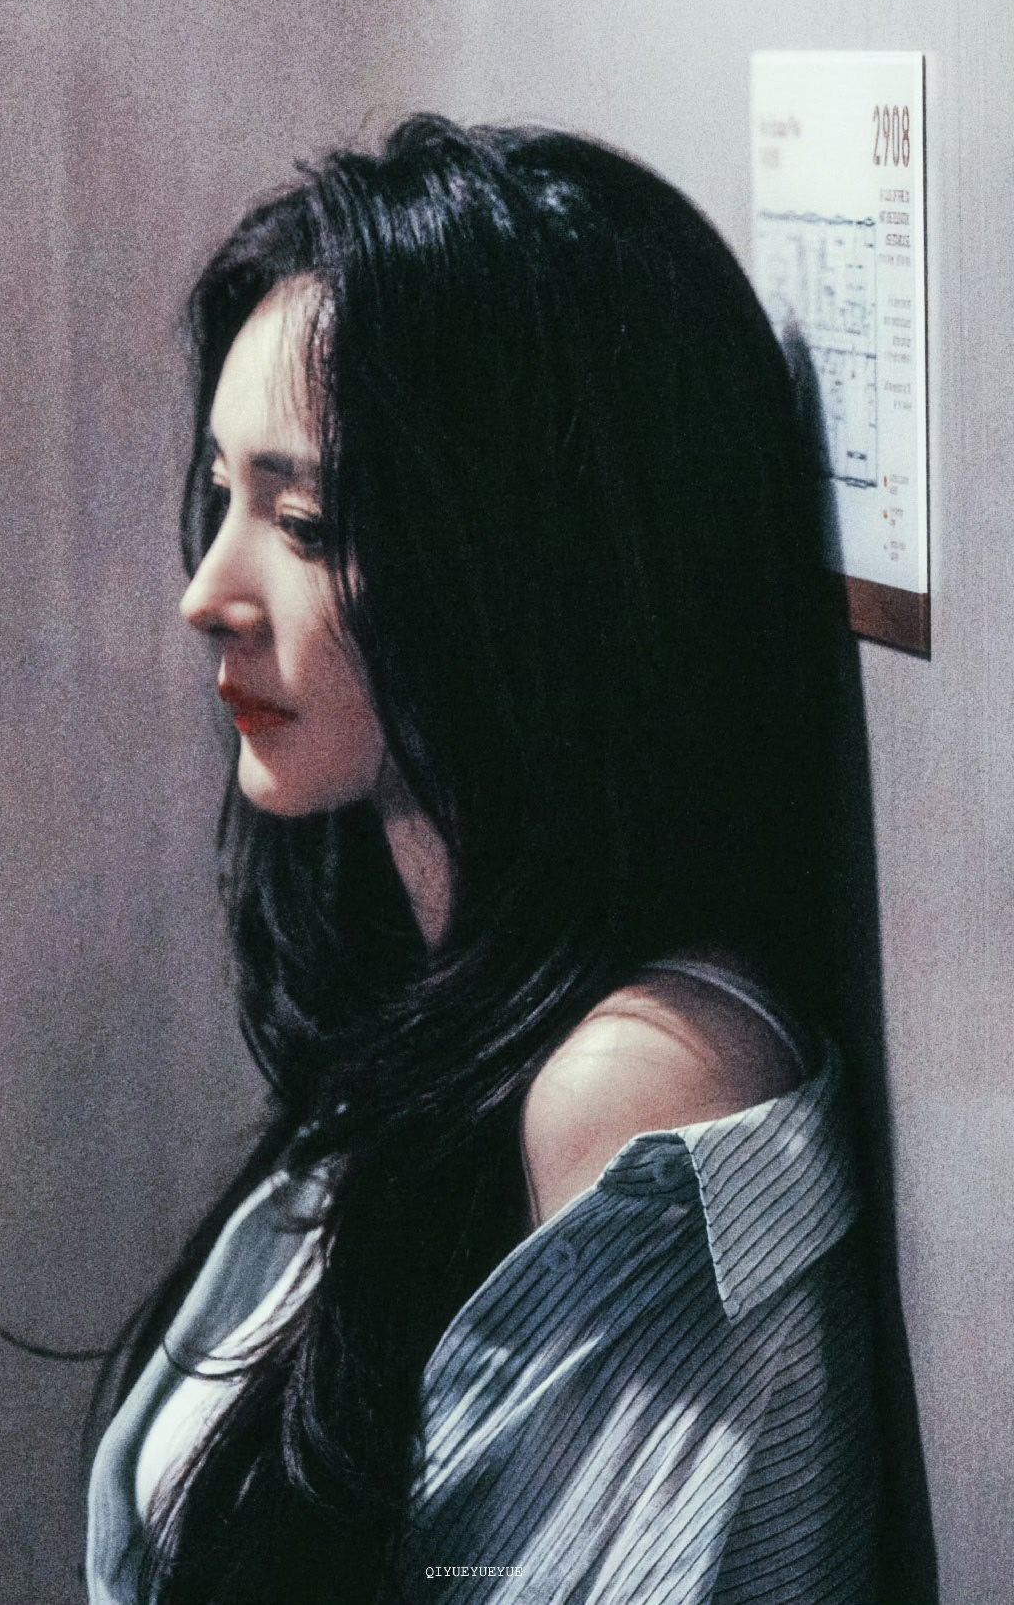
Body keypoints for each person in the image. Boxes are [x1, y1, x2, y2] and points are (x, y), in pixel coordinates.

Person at [85, 115, 878, 1604]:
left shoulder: (640, 1085)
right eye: (223, 492)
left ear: (521, 562)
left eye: (304, 521)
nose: (208, 592)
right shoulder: (437, 1009)